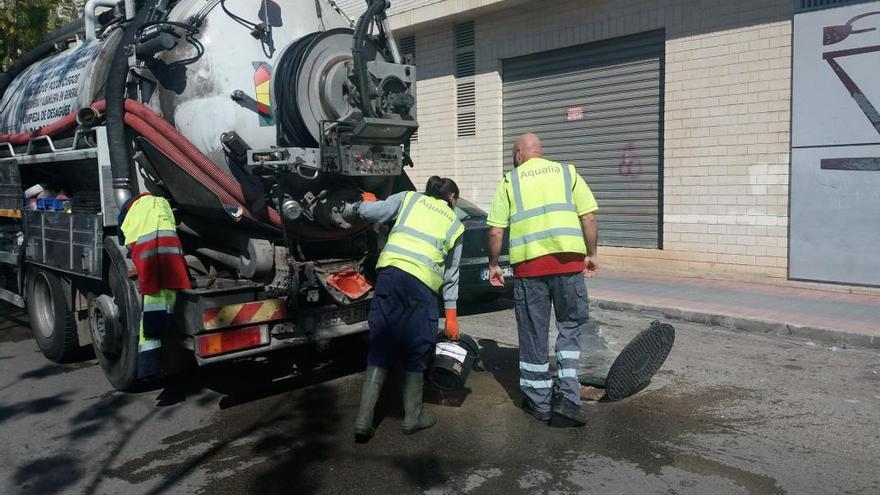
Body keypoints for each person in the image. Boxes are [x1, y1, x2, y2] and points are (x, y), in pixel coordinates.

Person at [336, 176, 464, 442]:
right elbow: (451, 275)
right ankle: (412, 417)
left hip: (391, 276)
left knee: (381, 343)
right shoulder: (455, 224)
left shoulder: (409, 198)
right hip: (422, 287)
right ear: (451, 198)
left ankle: (363, 421)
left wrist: (360, 205)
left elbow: (373, 211)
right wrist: (451, 315)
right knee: (417, 347)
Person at [485, 133, 598, 427]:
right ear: (539, 152)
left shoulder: (510, 181)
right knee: (570, 328)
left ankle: (540, 403)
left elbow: (496, 231)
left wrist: (494, 264)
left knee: (533, 334)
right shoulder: (567, 173)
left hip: (530, 271)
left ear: (519, 155)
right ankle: (570, 401)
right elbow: (589, 218)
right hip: (569, 267)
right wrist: (591, 254)